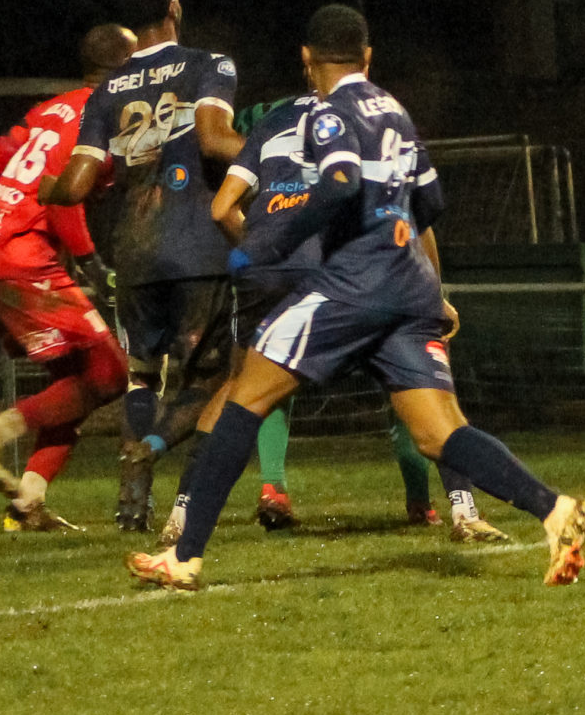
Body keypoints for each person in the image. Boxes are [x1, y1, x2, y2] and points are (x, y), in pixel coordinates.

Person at [130, 4, 585, 589]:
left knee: (244, 396)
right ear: (368, 56)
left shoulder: (327, 111)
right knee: (438, 431)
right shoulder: (396, 111)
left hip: (355, 283)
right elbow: (431, 202)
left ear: (307, 59)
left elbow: (341, 180)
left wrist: (270, 241)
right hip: (409, 284)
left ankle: (184, 556)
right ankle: (556, 511)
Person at [210, 90, 503, 544]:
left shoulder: (274, 124)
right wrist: (434, 293)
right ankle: (452, 506)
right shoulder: (372, 123)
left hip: (292, 277)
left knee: (262, 385)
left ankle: (260, 494)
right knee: (418, 390)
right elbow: (415, 221)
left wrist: (261, 249)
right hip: (366, 280)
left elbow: (222, 207)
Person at [37, 0, 242, 532]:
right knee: (208, 381)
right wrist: (272, 157)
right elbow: (213, 140)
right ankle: (156, 460)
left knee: (141, 378)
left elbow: (76, 185)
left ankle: (132, 505)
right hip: (198, 248)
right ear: (174, 4)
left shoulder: (107, 90)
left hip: (134, 251)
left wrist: (46, 187)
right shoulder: (209, 64)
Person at [0, 25, 136, 529]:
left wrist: (0, 220)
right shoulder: (103, 114)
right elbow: (62, 194)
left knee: (76, 384)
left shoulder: (50, 110)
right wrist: (91, 262)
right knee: (113, 373)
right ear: (124, 68)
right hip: (22, 261)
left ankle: (27, 503)